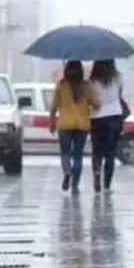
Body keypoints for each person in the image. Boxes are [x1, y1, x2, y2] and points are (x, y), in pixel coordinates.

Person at [50, 60, 100, 194]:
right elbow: (96, 104)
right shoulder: (86, 86)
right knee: (77, 156)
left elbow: (53, 107)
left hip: (64, 124)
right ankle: (75, 185)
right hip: (82, 125)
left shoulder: (61, 85)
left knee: (65, 153)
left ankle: (67, 172)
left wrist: (52, 123)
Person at [89, 60, 125, 193]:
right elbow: (119, 95)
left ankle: (97, 173)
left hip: (96, 117)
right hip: (114, 116)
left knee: (96, 151)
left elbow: (91, 99)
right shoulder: (118, 77)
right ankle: (107, 185)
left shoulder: (92, 80)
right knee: (110, 153)